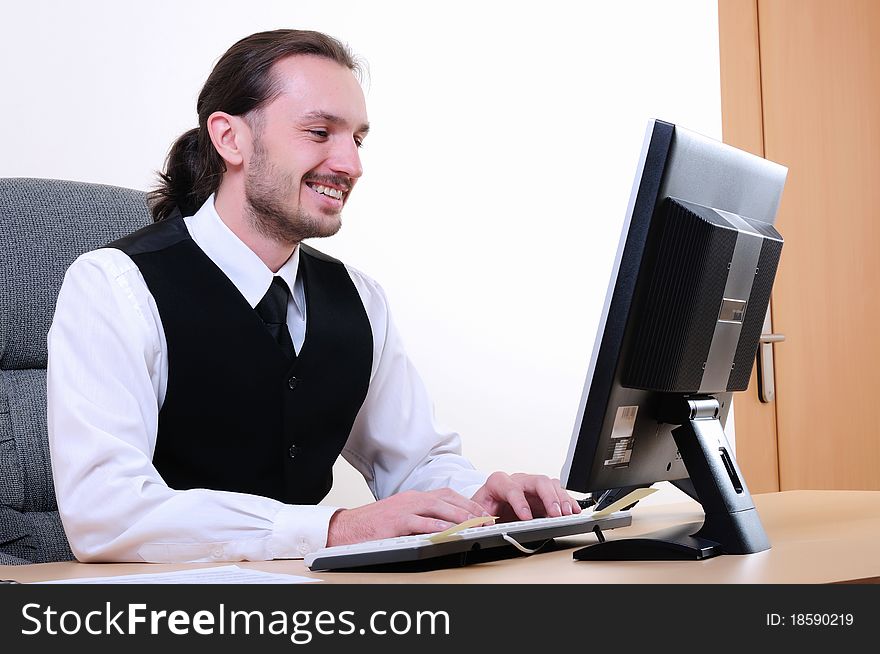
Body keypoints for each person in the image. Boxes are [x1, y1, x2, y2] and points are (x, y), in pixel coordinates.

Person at [47, 29, 580, 563]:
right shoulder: (114, 286)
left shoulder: (359, 298)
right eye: (320, 132)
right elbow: (105, 513)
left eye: (358, 139)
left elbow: (415, 462)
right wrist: (335, 529)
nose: (351, 165)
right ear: (230, 139)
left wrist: (475, 504)